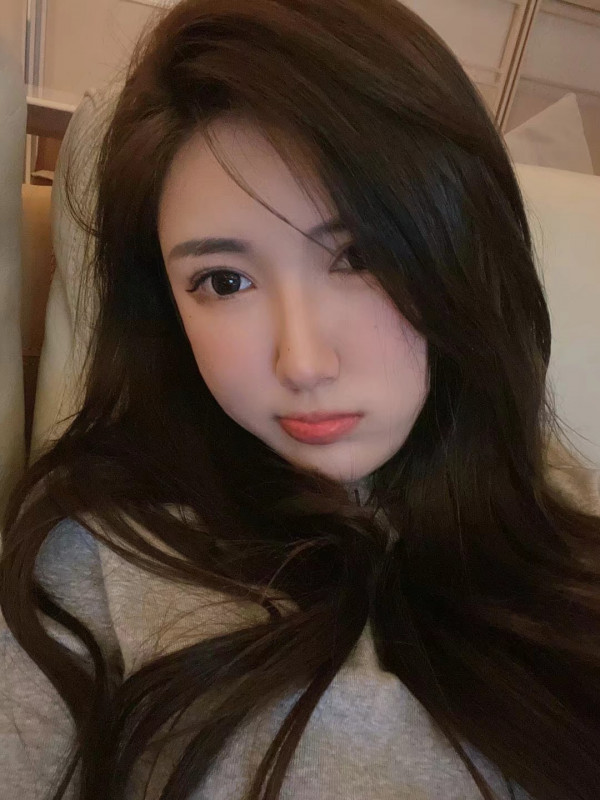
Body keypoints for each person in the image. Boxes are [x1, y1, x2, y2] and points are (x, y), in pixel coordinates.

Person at [2, 0, 600, 798]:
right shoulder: (97, 552)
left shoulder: (560, 523)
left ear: (465, 251)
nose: (304, 362)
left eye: (362, 257)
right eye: (224, 281)